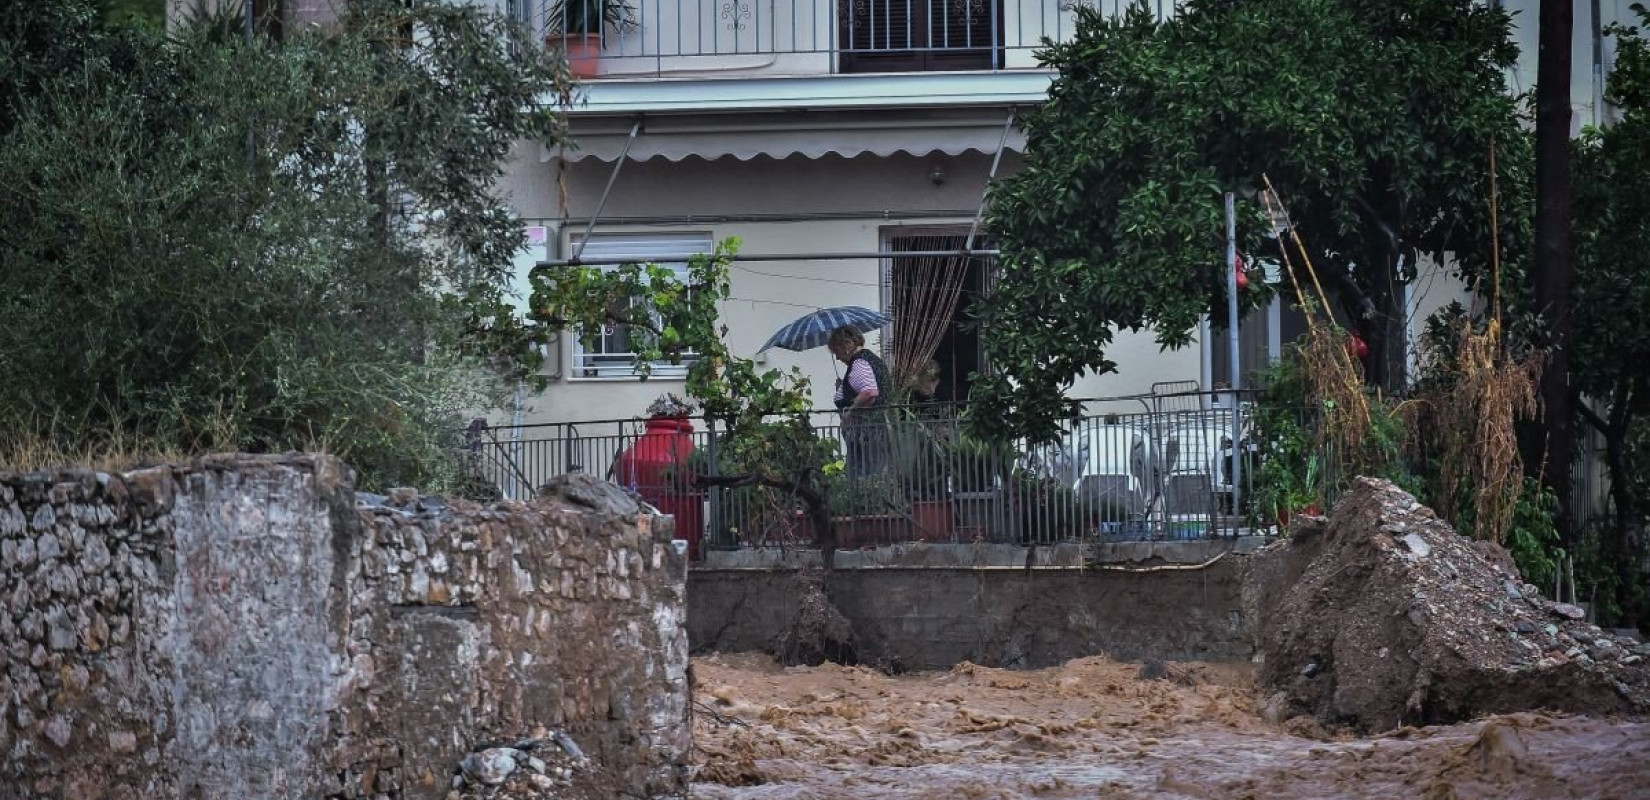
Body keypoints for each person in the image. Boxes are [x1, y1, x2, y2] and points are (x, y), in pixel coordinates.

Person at [828, 326, 891, 478]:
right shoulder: (871, 360)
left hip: (865, 435)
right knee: (874, 476)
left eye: (837, 351)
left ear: (848, 344)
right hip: (874, 432)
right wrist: (843, 388)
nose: (837, 358)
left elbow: (870, 393)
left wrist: (849, 414)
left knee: (863, 477)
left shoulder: (859, 363)